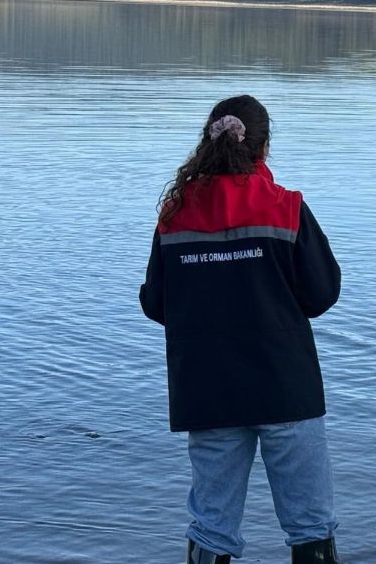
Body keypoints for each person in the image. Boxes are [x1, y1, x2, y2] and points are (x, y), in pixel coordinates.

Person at [139, 96, 343, 564]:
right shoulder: (287, 208)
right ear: (263, 147)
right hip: (286, 387)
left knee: (211, 527)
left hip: (207, 391)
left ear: (207, 143)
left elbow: (156, 304)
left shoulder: (174, 214)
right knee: (310, 524)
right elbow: (322, 294)